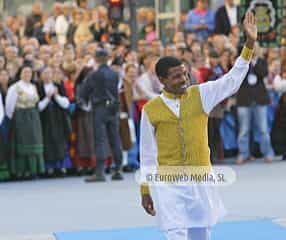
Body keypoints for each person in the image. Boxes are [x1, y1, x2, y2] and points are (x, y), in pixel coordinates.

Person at [139, 11, 257, 240]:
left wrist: (249, 44)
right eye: (175, 77)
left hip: (200, 178)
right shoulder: (150, 110)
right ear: (161, 80)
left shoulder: (200, 94)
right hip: (168, 183)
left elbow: (232, 80)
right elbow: (147, 154)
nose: (183, 79)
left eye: (184, 74)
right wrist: (145, 190)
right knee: (174, 233)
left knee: (201, 233)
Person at [80, 48, 124, 182]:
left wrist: (84, 100)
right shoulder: (114, 74)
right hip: (113, 107)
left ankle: (100, 171)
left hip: (100, 107)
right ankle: (118, 169)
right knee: (115, 138)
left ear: (96, 59)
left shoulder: (94, 75)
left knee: (100, 139)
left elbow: (84, 91)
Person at [235, 42, 274, 164]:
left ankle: (267, 153)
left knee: (263, 129)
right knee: (244, 129)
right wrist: (247, 61)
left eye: (256, 48)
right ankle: (243, 153)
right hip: (244, 99)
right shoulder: (241, 61)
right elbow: (238, 75)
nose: (254, 50)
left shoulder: (262, 61)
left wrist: (254, 62)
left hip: (259, 99)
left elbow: (263, 73)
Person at [5, 66, 45, 179]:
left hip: (33, 117)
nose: (27, 74)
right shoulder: (15, 87)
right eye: (25, 72)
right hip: (21, 117)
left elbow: (37, 103)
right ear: (20, 73)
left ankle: (33, 170)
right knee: (22, 142)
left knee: (34, 141)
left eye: (29, 72)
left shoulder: (33, 87)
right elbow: (9, 106)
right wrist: (14, 119)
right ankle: (21, 171)